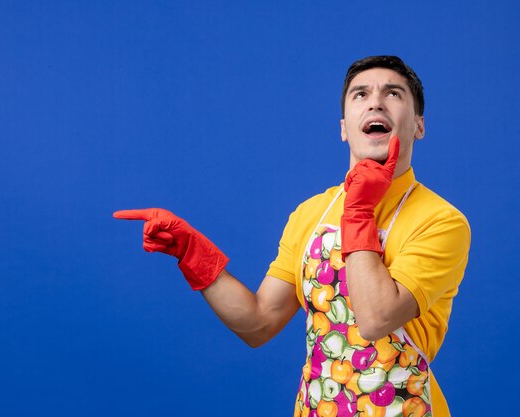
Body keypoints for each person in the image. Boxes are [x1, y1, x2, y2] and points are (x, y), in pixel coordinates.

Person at [114, 56, 470, 417]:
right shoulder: (311, 213)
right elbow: (259, 323)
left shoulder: (441, 222)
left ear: (419, 125)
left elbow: (376, 318)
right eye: (360, 94)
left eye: (393, 93)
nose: (375, 101)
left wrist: (359, 210)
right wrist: (193, 253)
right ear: (344, 128)